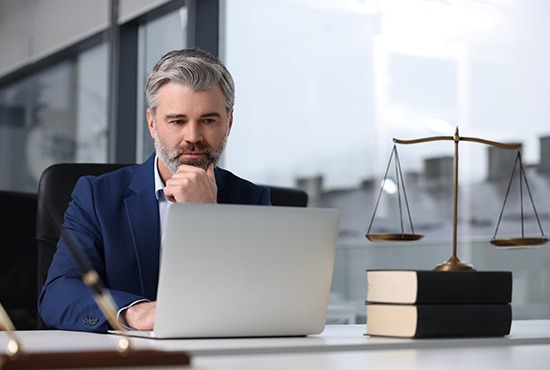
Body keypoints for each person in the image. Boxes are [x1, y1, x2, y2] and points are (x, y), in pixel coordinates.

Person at [38, 48, 271, 333]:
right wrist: (134, 313)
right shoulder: (97, 197)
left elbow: (264, 300)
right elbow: (58, 295)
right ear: (152, 123)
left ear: (229, 123)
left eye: (209, 120)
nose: (193, 137)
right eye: (177, 121)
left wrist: (208, 219)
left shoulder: (252, 200)